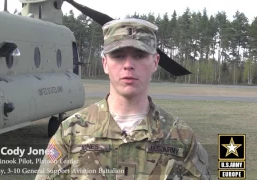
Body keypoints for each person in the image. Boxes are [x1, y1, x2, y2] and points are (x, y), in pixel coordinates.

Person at [35, 18, 211, 180]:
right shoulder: (70, 133)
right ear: (105, 63)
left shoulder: (181, 138)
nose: (128, 65)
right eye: (118, 56)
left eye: (139, 55)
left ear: (155, 62)